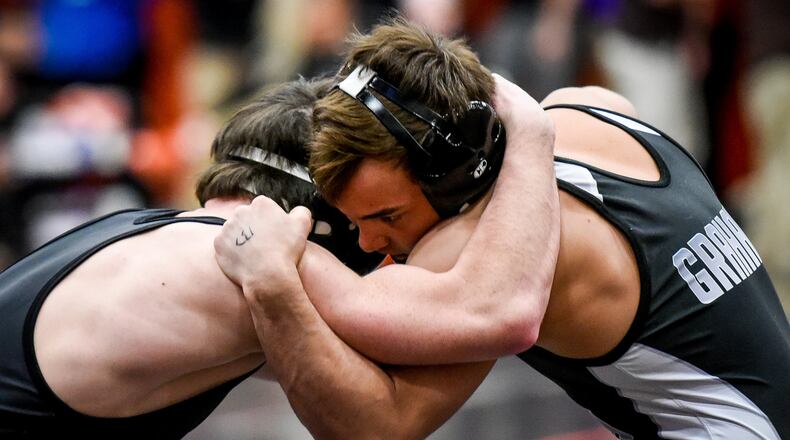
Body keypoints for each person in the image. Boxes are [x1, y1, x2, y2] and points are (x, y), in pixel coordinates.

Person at [214, 18, 790, 439]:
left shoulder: (481, 256)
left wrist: (274, 264)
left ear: (453, 176)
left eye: (386, 217)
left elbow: (373, 427)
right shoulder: (586, 109)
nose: (368, 242)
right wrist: (530, 133)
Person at [0, 71, 559, 437]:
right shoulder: (233, 264)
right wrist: (532, 137)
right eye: (372, 220)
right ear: (322, 213)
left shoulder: (167, 238)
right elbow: (493, 315)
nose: (375, 247)